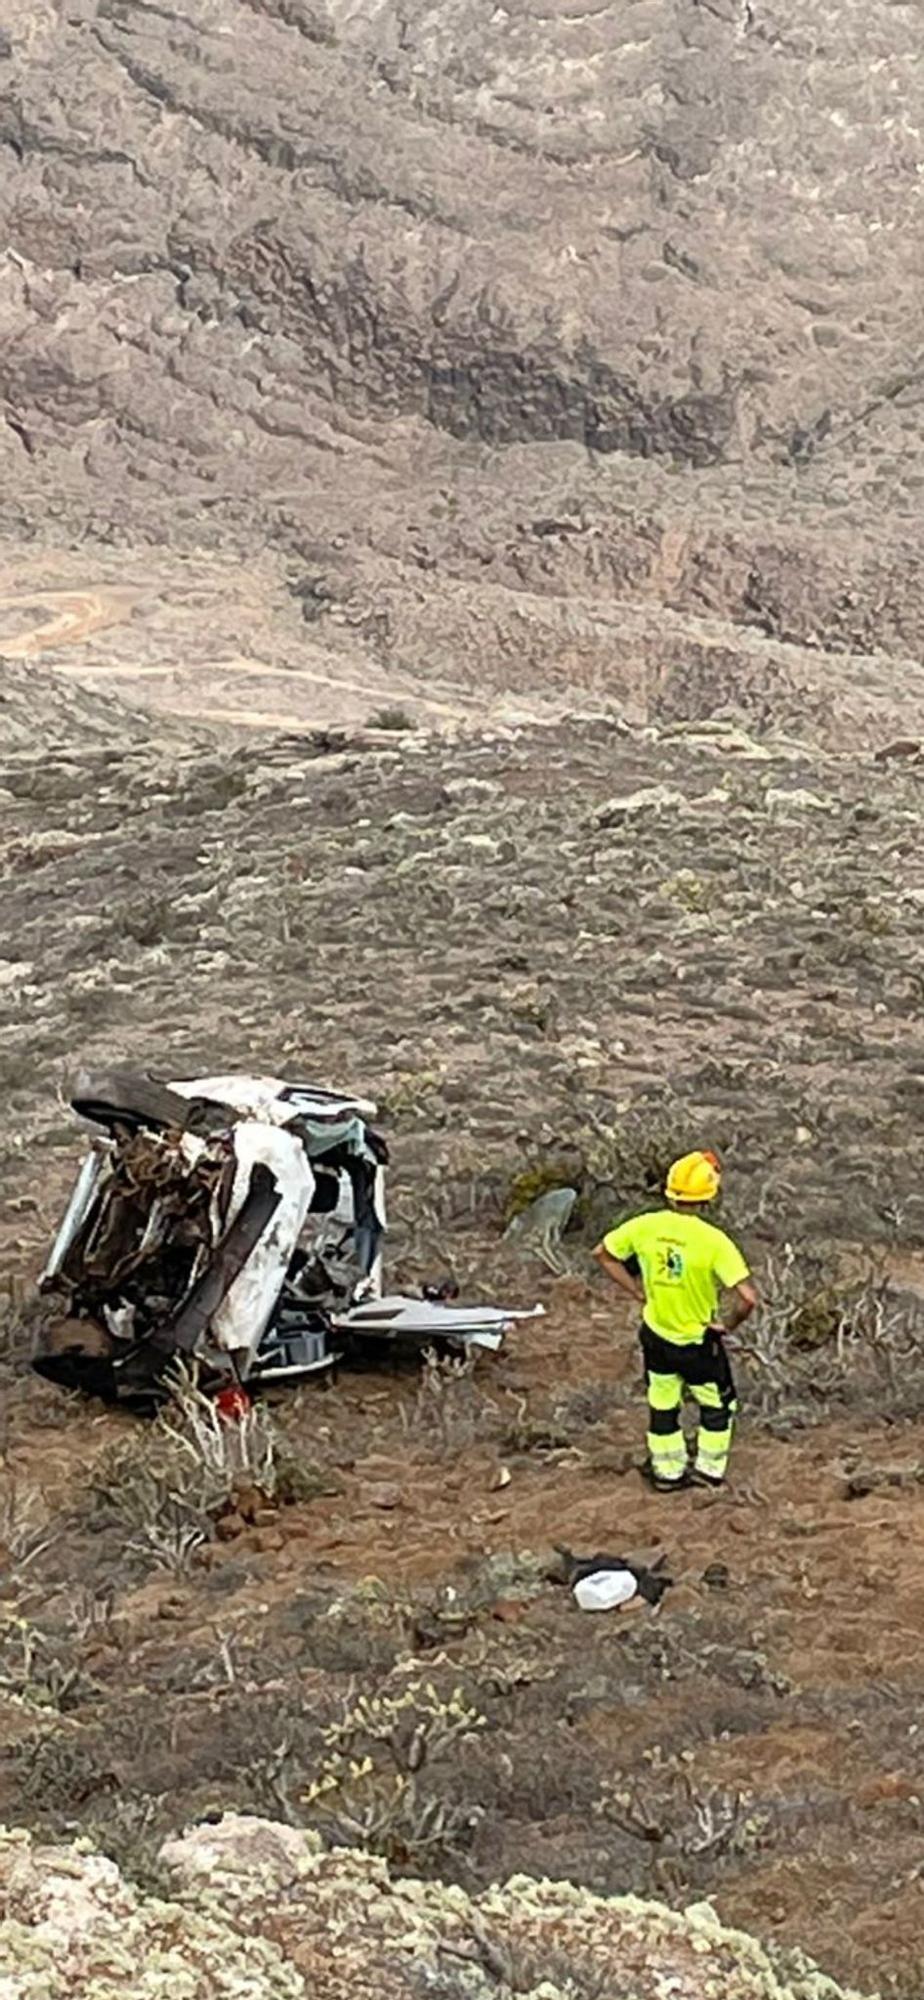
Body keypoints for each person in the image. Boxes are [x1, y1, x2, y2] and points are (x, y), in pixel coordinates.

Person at [593, 1150, 757, 1491]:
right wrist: (728, 1324)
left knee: (662, 1401)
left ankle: (667, 1473)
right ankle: (709, 1472)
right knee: (717, 1404)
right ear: (708, 1196)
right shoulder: (714, 1241)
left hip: (656, 1334)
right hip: (697, 1341)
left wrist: (636, 1291)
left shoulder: (644, 1226)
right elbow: (747, 1298)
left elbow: (603, 1254)